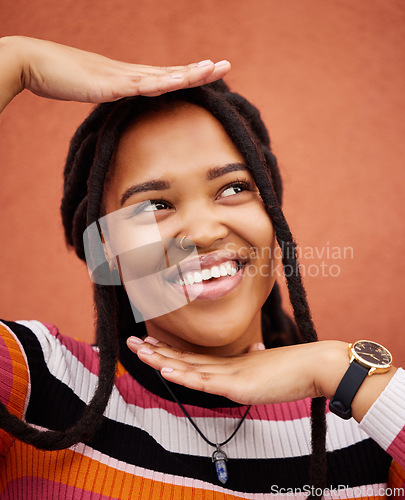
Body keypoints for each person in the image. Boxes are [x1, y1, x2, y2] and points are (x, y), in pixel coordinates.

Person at [0, 35, 404, 499]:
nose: (205, 231)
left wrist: (341, 371)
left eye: (233, 188)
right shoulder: (40, 386)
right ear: (106, 250)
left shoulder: (371, 424)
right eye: (154, 204)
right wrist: (15, 61)